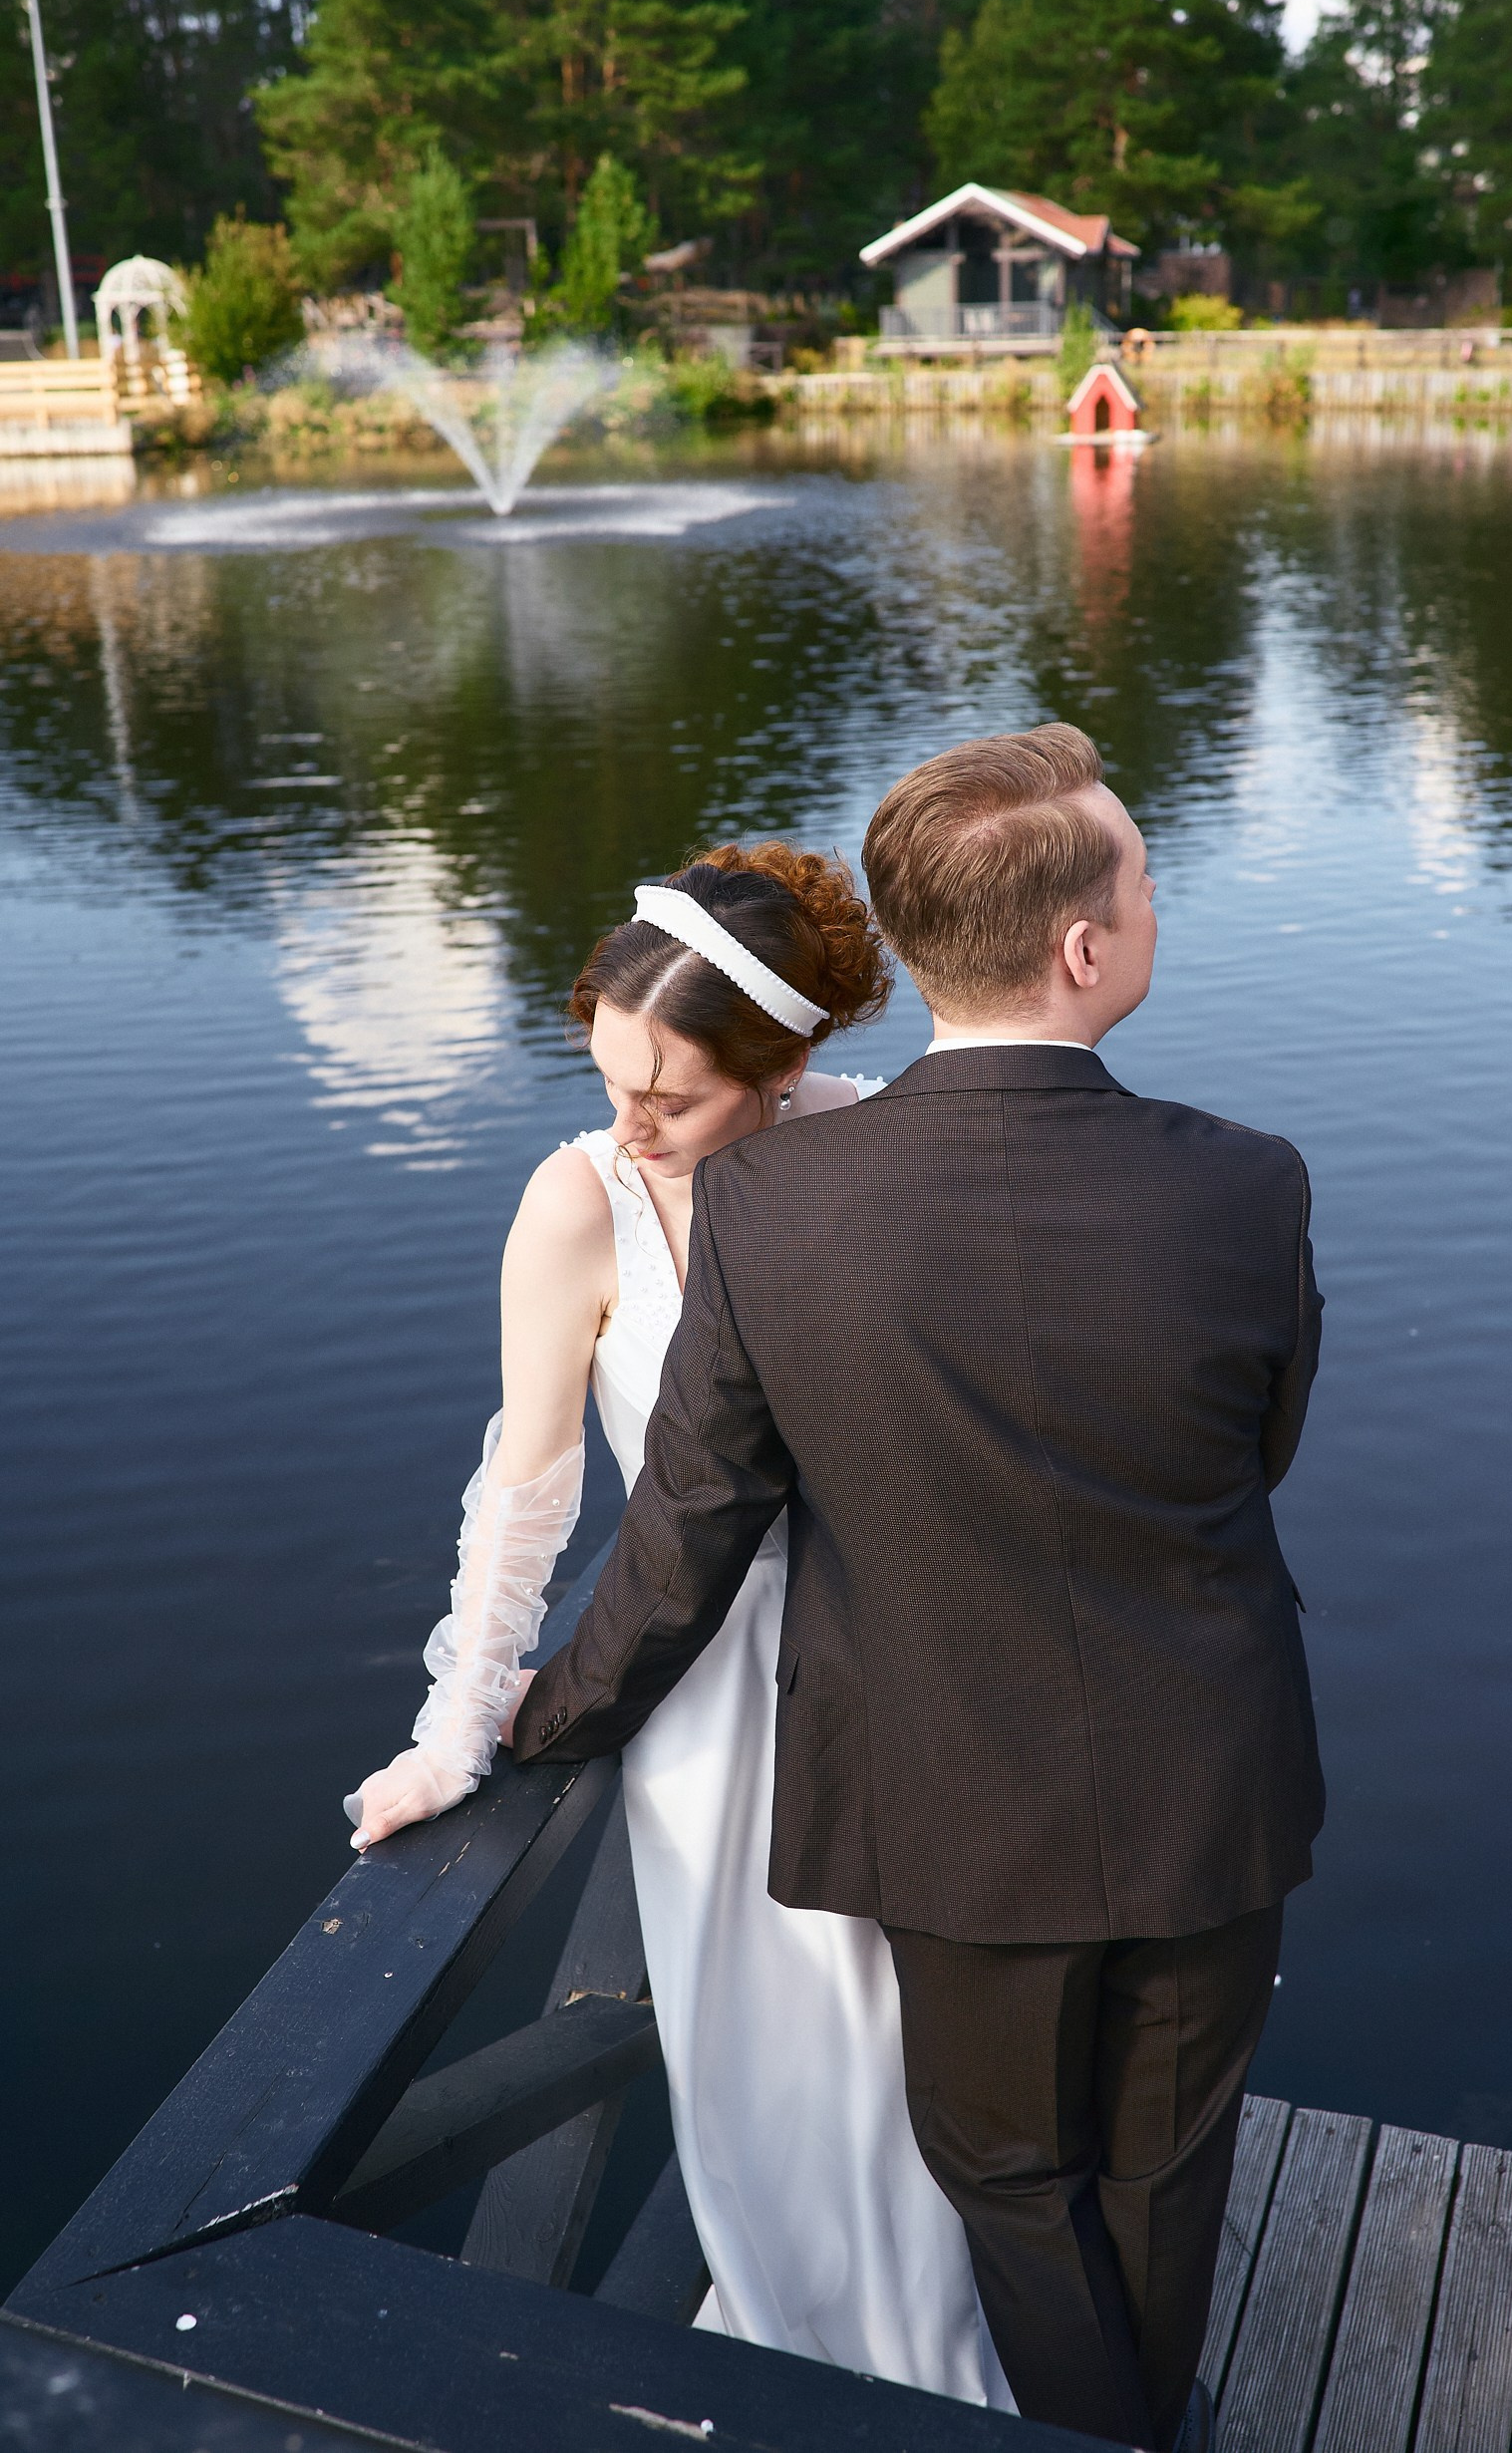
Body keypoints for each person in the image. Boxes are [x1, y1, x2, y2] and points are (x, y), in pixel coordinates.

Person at [516, 724, 1325, 2453]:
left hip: (953, 1809)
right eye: (1143, 880)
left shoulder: (775, 1205)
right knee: (1168, 2174)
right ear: (1086, 951)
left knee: (1007, 2173)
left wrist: (538, 1717)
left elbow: (690, 1528)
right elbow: (1258, 1454)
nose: (1151, 906)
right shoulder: (1250, 1183)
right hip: (1210, 1781)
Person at [344, 840, 1014, 2409]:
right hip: (714, 1697)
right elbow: (529, 1477)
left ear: (784, 1071)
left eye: (674, 1096)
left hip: (911, 1680)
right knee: (773, 2071)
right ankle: (816, 2368)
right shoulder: (580, 1201)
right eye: (611, 1079)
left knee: (931, 2063)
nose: (631, 1123)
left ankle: (933, 2375)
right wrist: (460, 1725)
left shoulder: (869, 1144)